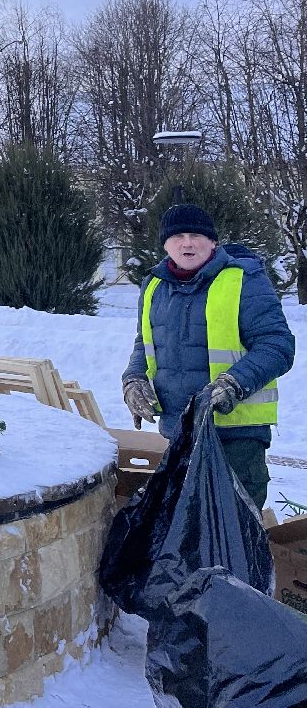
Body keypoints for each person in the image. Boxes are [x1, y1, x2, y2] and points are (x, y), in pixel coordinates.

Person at [122, 203, 295, 509]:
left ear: (213, 241)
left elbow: (277, 344)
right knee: (184, 527)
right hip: (179, 434)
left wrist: (235, 383)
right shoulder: (154, 286)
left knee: (234, 528)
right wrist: (133, 380)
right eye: (178, 236)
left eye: (196, 236)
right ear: (165, 244)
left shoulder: (244, 279)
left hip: (236, 438)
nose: (187, 243)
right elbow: (145, 343)